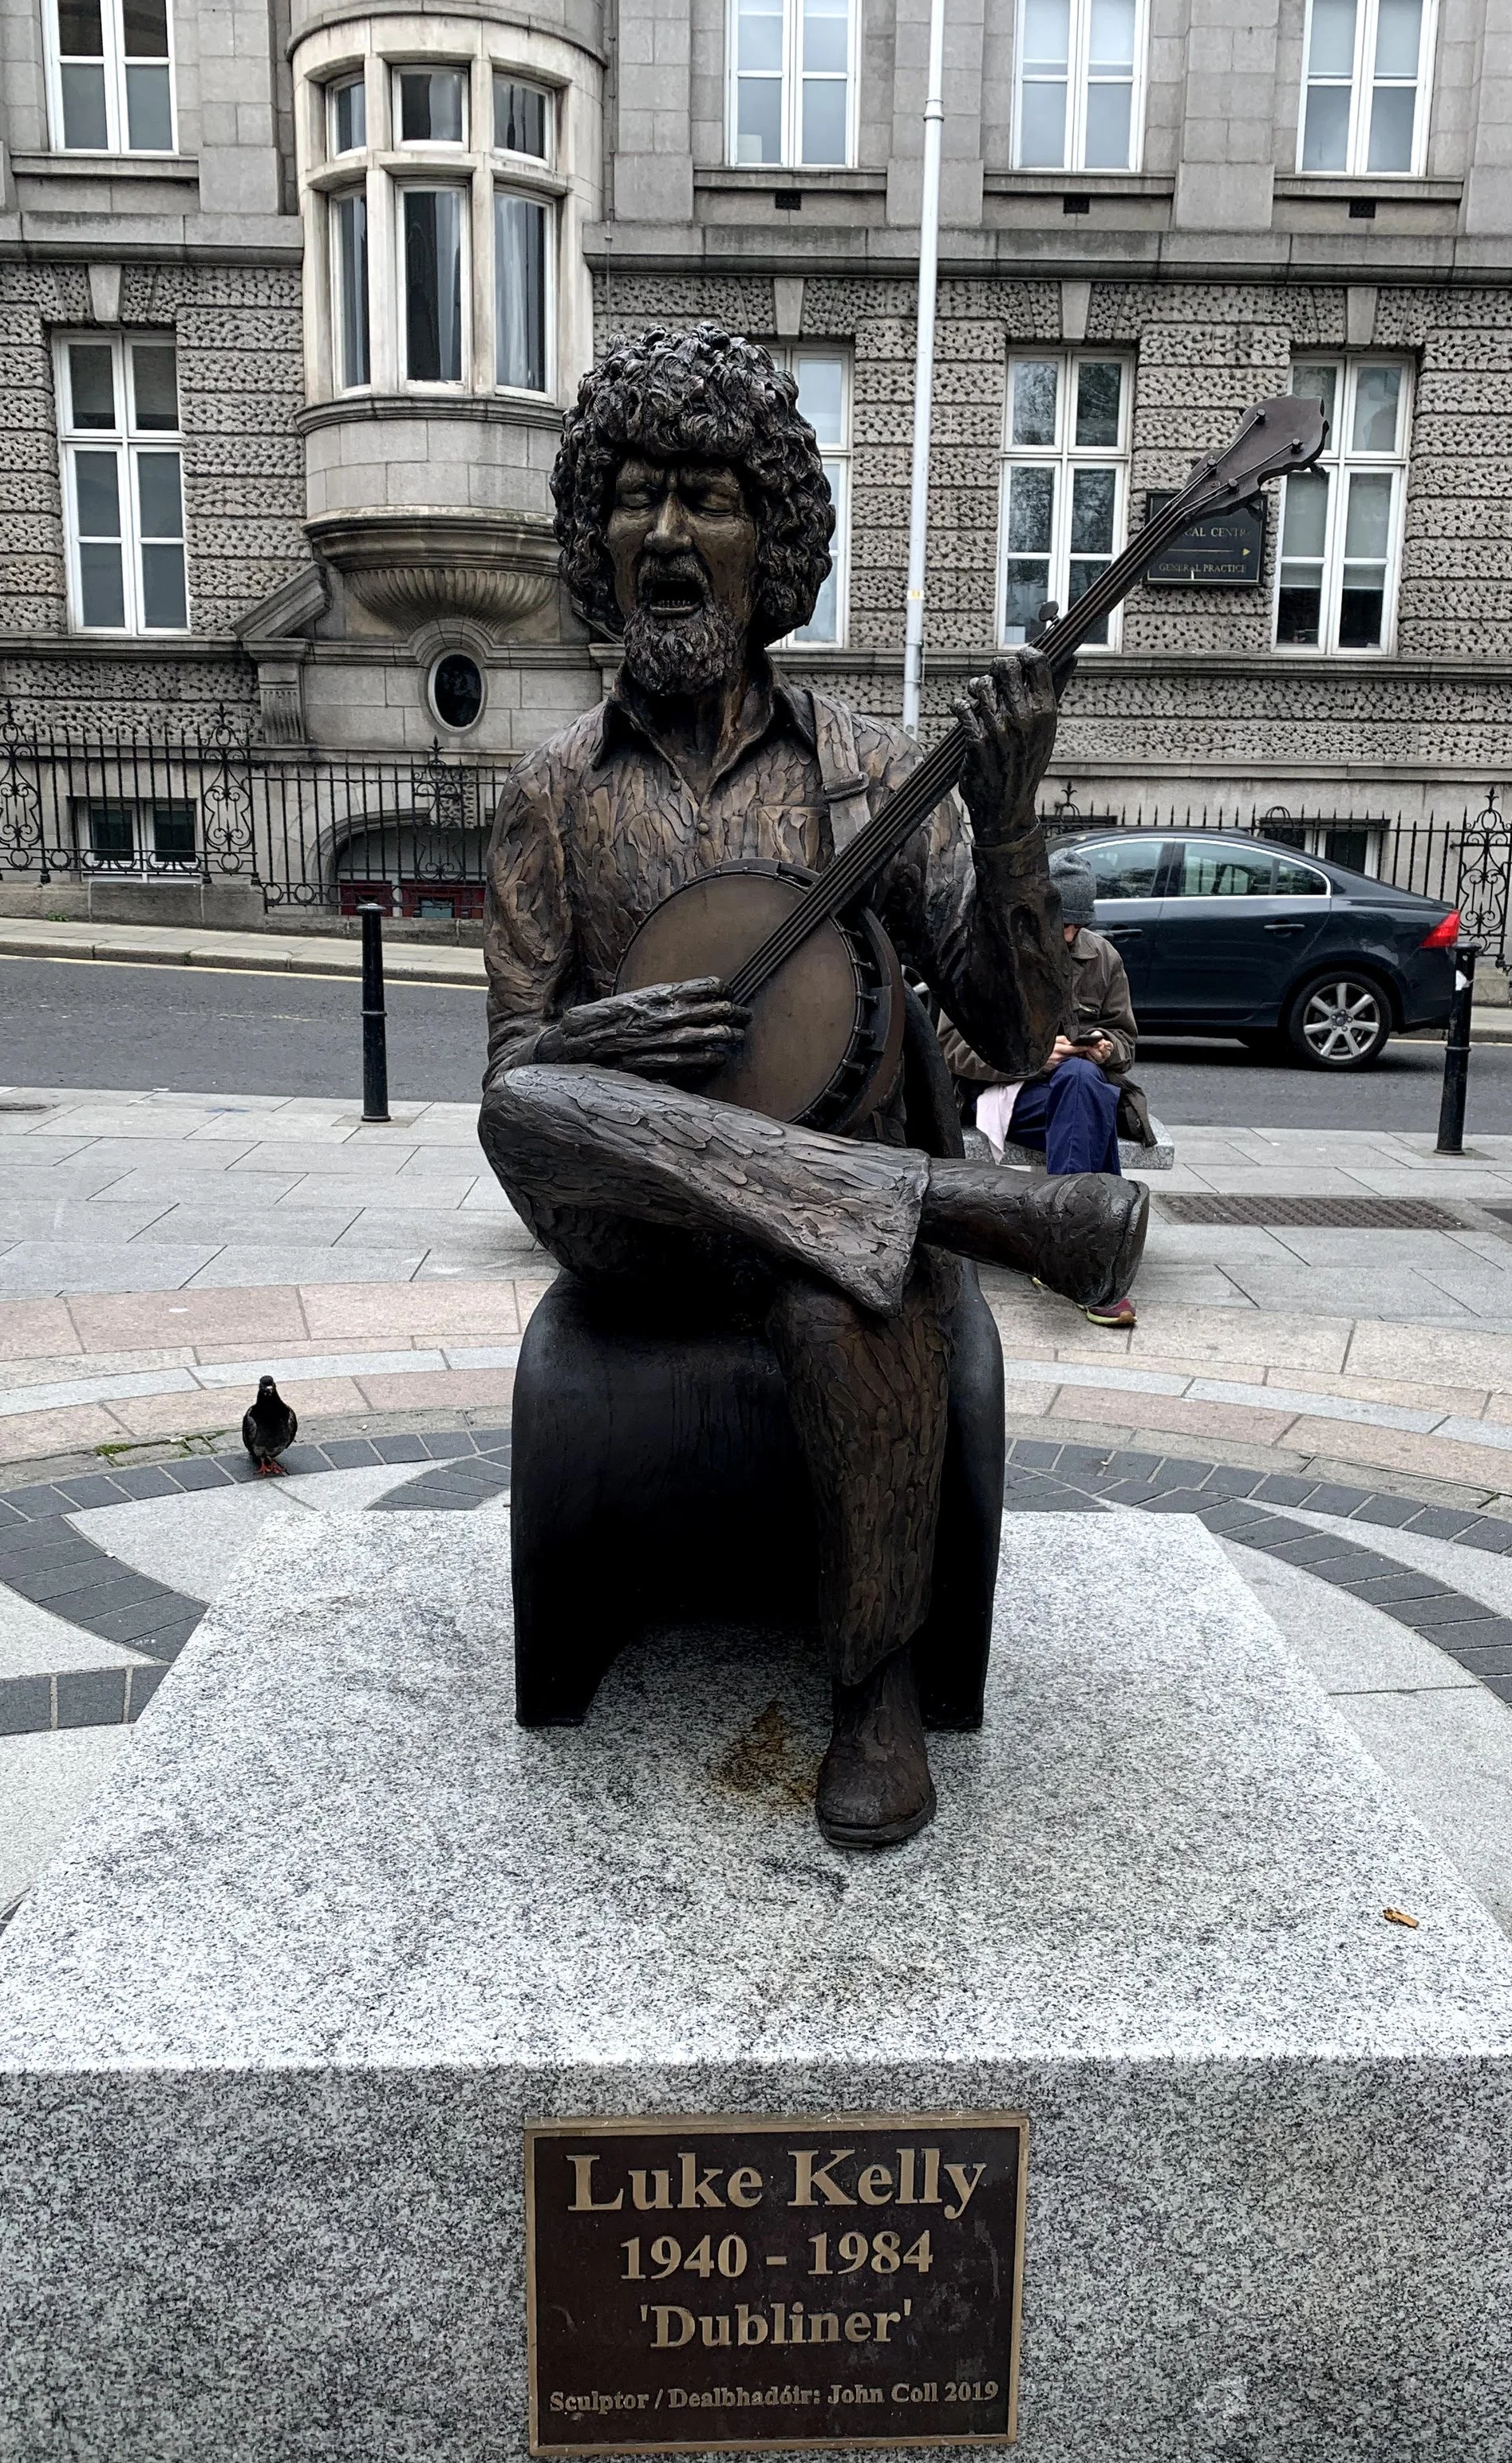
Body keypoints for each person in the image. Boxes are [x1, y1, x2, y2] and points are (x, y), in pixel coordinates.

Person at [479, 322, 1150, 1851]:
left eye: (707, 499)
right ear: (596, 534)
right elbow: (516, 1094)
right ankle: (940, 1204)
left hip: (823, 1243)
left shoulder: (864, 765)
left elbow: (1006, 1015)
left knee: (855, 1284)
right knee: (533, 1111)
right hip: (648, 1231)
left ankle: (873, 1683)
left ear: (768, 536)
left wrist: (1016, 819)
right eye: (636, 497)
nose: (665, 534)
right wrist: (594, 1051)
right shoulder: (551, 795)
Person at [936, 855, 1155, 1328]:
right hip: (1008, 1099)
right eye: (1063, 924)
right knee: (1084, 1095)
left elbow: (1126, 1042)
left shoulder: (1103, 958)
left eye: (1079, 925)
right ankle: (1092, 1249)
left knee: (1082, 1084)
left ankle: (1065, 1243)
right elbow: (949, 1047)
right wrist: (1031, 1060)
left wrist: (1104, 1050)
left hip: (1080, 1095)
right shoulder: (989, 957)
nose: (1071, 936)